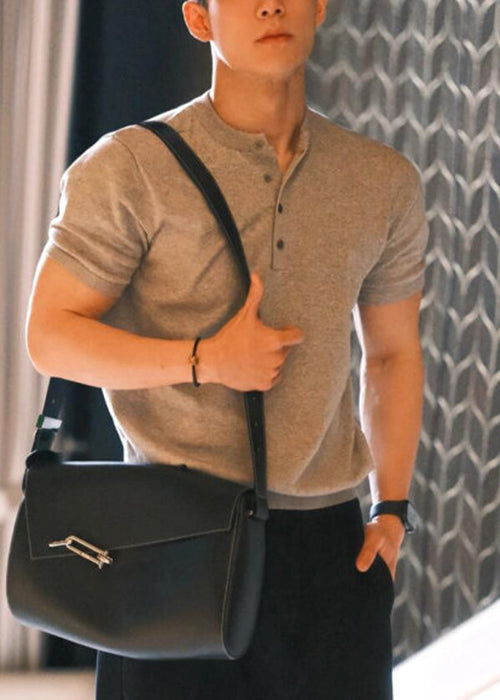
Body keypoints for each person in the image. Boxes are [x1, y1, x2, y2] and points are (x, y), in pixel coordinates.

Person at [26, 0, 429, 697]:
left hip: (332, 552)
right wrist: (205, 359)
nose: (270, 5)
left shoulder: (382, 181)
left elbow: (392, 354)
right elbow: (50, 335)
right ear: (199, 19)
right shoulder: (129, 167)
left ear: (319, 7)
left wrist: (391, 509)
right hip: (173, 542)